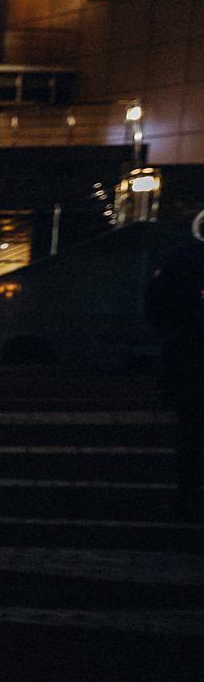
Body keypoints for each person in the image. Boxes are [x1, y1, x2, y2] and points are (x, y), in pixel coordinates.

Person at [145, 211, 204, 520]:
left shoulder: (181, 260)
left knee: (191, 430)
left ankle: (188, 494)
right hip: (189, 351)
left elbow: (157, 305)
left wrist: (176, 331)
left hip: (189, 353)